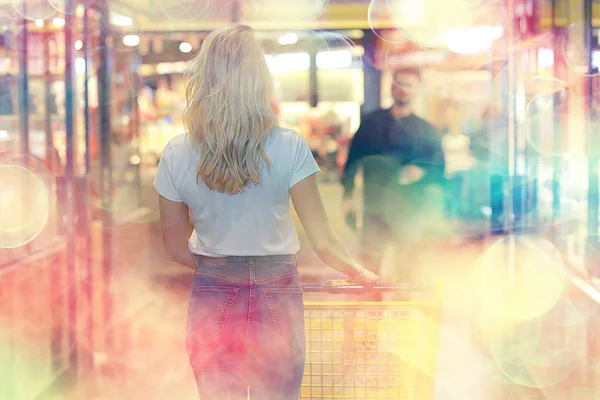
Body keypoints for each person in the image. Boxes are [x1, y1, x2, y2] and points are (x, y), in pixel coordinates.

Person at [153, 24, 378, 400]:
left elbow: (174, 248)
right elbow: (323, 241)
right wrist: (358, 272)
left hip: (213, 289)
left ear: (204, 77)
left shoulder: (177, 153)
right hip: (278, 290)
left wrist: (220, 268)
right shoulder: (289, 146)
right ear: (261, 79)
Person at [341, 67, 444, 287]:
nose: (403, 89)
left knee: (407, 270)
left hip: (408, 210)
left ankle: (403, 316)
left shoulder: (426, 130)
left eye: (409, 85)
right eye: (399, 83)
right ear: (391, 87)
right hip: (373, 208)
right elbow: (353, 160)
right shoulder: (371, 123)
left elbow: (439, 169)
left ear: (417, 90)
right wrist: (347, 195)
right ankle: (371, 314)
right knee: (369, 268)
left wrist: (422, 172)